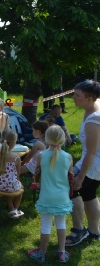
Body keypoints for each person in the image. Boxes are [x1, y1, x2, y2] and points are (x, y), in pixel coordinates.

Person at [28, 126, 73, 263]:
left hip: (46, 196)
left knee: (46, 225)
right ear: (63, 139)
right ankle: (62, 252)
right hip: (62, 197)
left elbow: (37, 174)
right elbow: (71, 177)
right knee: (61, 223)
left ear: (46, 139)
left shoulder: (42, 155)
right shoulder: (68, 157)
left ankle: (42, 253)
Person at [65, 80, 100, 246]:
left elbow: (92, 152)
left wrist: (80, 176)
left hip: (94, 162)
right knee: (89, 193)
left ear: (90, 98)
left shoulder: (94, 120)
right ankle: (94, 231)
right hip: (92, 160)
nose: (73, 98)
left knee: (70, 190)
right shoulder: (95, 105)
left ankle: (79, 231)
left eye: (77, 95)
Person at [0, 129, 23, 219]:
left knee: (7, 185)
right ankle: (14, 209)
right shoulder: (16, 158)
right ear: (14, 143)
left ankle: (11, 207)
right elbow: (17, 175)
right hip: (9, 186)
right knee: (20, 189)